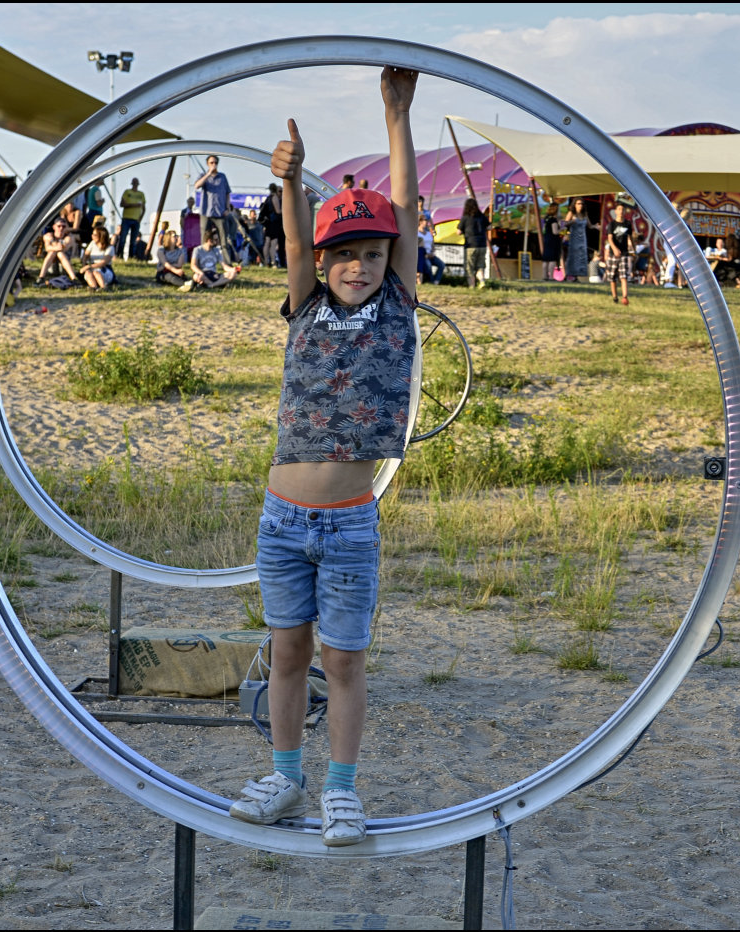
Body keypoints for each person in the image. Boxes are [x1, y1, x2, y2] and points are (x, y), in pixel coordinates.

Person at [229, 67, 421, 849]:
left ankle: (340, 790)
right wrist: (289, 181)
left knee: (341, 661)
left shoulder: (397, 305)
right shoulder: (304, 302)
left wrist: (396, 113)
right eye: (345, 255)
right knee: (287, 654)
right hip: (282, 519)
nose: (358, 266)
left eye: (372, 253)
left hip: (346, 524)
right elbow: (299, 237)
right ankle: (285, 774)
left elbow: (403, 209)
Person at [180, 226, 240, 291]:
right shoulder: (197, 250)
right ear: (209, 240)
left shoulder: (217, 250)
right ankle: (219, 284)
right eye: (216, 240)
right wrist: (200, 273)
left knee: (233, 274)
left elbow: (224, 266)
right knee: (195, 276)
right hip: (203, 273)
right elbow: (193, 265)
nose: (218, 241)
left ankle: (210, 285)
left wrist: (233, 269)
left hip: (213, 274)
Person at [195, 155, 232, 249]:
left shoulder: (222, 177)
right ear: (208, 164)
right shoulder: (203, 175)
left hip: (220, 212)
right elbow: (197, 186)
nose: (214, 164)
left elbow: (227, 193)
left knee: (223, 238)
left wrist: (227, 208)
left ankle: (226, 261)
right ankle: (203, 259)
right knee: (205, 237)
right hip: (206, 212)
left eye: (215, 162)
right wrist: (208, 174)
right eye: (211, 163)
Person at [459, 197, 490, 288]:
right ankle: (482, 281)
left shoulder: (465, 218)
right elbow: (489, 227)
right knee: (480, 266)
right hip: (482, 245)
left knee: (469, 268)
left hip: (470, 245)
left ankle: (472, 286)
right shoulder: (482, 216)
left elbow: (459, 231)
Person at [607, 202, 634, 305]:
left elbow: (630, 237)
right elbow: (609, 238)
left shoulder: (627, 224)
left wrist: (633, 248)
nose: (621, 212)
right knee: (612, 276)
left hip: (624, 253)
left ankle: (625, 297)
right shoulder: (612, 224)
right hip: (613, 253)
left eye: (622, 210)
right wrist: (614, 249)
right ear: (616, 211)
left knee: (623, 276)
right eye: (619, 209)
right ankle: (615, 297)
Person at [38, 218, 79, 282]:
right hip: (52, 264)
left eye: (63, 226)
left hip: (64, 266)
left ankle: (73, 278)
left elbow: (62, 248)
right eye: (59, 226)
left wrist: (52, 241)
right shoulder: (48, 235)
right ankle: (41, 277)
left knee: (60, 253)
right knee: (52, 253)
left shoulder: (69, 237)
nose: (61, 228)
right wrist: (55, 246)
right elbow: (47, 248)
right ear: (54, 227)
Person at [117, 177, 146, 260]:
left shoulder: (141, 194)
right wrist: (134, 205)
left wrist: (140, 219)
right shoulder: (127, 192)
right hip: (126, 218)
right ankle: (120, 256)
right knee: (123, 238)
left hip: (136, 220)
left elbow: (143, 208)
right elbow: (122, 204)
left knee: (133, 241)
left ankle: (131, 257)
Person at [80, 224, 116, 289]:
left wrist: (88, 266)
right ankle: (94, 287)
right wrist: (84, 264)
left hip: (104, 269)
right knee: (88, 273)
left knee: (96, 273)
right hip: (92, 267)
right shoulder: (92, 243)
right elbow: (85, 255)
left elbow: (103, 262)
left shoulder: (110, 248)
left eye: (95, 235)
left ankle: (103, 287)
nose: (92, 236)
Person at [563, 198, 590, 281]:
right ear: (574, 205)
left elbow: (590, 225)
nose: (580, 205)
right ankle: (568, 275)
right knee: (572, 256)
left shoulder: (584, 214)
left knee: (580, 257)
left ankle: (576, 275)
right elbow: (564, 223)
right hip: (574, 238)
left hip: (582, 239)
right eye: (578, 203)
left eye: (581, 204)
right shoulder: (571, 213)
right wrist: (572, 222)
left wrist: (596, 226)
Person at [540, 203, 563, 280]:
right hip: (553, 241)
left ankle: (544, 276)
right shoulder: (553, 220)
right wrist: (562, 229)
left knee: (545, 259)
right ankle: (551, 277)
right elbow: (555, 232)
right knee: (552, 259)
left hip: (547, 239)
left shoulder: (547, 218)